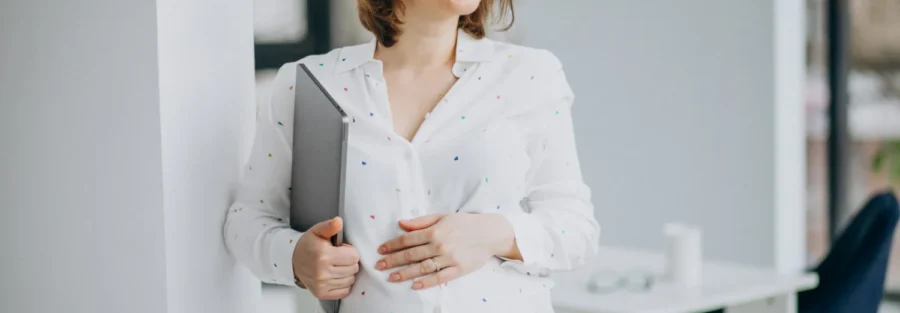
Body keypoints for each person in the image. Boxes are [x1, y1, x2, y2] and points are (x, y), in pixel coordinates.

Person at [224, 0, 600, 312]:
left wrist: (494, 234)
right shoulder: (308, 83)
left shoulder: (530, 75)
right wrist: (294, 257)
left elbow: (577, 230)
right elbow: (246, 220)